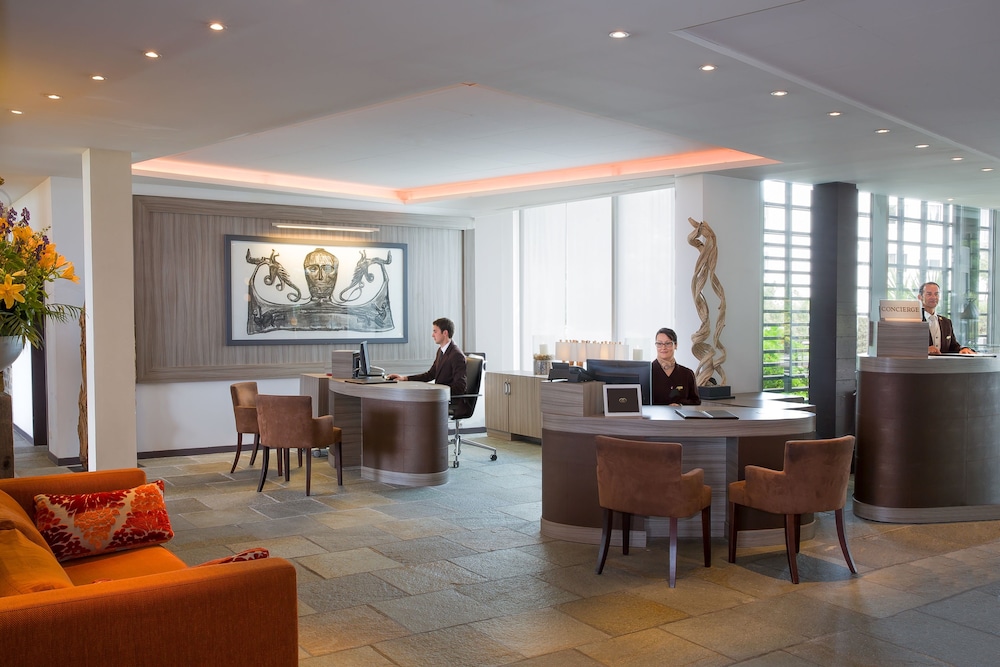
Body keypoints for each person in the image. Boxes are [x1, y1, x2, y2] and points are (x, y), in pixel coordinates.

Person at [387, 317, 471, 417]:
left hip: (451, 401)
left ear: (445, 333)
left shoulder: (456, 355)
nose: (432, 335)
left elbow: (460, 386)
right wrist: (405, 378)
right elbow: (430, 374)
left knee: (416, 407)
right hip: (440, 398)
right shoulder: (441, 351)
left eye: (435, 331)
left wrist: (437, 392)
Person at [918, 282, 974, 355]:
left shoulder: (946, 322)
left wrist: (963, 349)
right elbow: (907, 347)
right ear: (920, 297)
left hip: (943, 362)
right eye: (929, 294)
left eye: (936, 294)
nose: (934, 297)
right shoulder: (915, 321)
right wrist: (925, 350)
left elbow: (953, 346)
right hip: (921, 362)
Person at [650, 327, 701, 406]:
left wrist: (680, 404)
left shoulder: (687, 374)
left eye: (668, 343)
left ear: (676, 345)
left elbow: (696, 401)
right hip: (653, 414)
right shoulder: (647, 372)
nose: (663, 347)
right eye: (659, 344)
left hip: (679, 414)